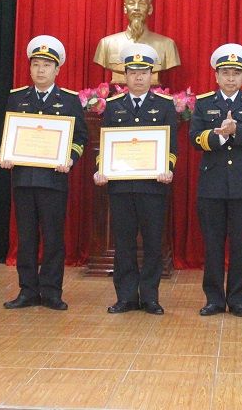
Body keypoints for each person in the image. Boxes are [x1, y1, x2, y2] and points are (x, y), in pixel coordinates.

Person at [0, 35, 87, 311]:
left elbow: (80, 137)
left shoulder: (69, 100)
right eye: (36, 64)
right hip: (23, 179)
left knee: (53, 238)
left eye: (47, 65)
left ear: (57, 69)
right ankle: (27, 290)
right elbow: (9, 134)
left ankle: (51, 291)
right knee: (25, 239)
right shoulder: (17, 98)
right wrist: (5, 153)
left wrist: (69, 158)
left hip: (53, 180)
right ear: (29, 68)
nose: (40, 70)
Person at [94, 43, 178, 315]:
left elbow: (171, 145)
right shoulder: (113, 106)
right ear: (125, 76)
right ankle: (126, 296)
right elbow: (105, 143)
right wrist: (101, 169)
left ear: (152, 75)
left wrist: (167, 167)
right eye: (133, 72)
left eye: (143, 73)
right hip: (121, 187)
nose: (138, 77)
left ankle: (150, 297)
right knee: (124, 243)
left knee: (153, 243)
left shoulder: (164, 106)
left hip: (154, 186)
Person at [189, 44, 242, 318]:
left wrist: (238, 130)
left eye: (236, 73)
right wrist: (220, 136)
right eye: (225, 73)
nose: (231, 78)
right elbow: (195, 138)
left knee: (240, 245)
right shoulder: (204, 103)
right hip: (212, 184)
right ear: (216, 76)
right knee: (212, 245)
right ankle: (213, 299)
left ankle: (238, 300)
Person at [93, 0, 181, 84]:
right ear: (125, 8)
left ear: (150, 9)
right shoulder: (106, 44)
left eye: (142, 3)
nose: (136, 8)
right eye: (131, 3)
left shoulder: (167, 45)